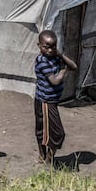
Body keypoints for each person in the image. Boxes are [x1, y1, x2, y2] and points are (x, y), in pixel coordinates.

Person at [34, 30, 77, 165]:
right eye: (46, 47)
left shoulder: (56, 57)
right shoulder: (41, 61)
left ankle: (44, 157)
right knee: (57, 133)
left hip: (51, 100)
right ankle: (48, 159)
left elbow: (74, 66)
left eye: (53, 46)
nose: (50, 50)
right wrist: (63, 71)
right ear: (39, 45)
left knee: (43, 129)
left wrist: (60, 54)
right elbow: (55, 81)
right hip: (45, 101)